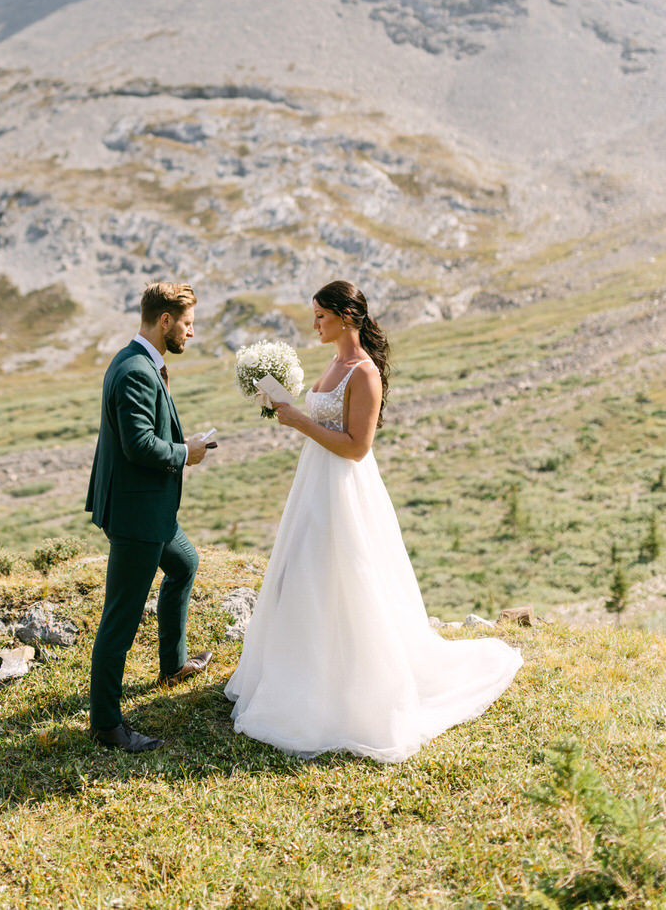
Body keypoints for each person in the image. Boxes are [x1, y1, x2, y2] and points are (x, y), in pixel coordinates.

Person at [225, 280, 522, 762]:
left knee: (345, 579)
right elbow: (326, 420)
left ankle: (350, 687)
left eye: (321, 315)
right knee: (304, 577)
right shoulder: (334, 363)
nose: (314, 324)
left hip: (344, 490)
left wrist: (298, 421)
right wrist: (281, 404)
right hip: (314, 484)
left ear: (346, 316)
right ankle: (305, 671)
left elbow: (358, 447)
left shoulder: (363, 374)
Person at [86, 281, 215, 752]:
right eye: (187, 324)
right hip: (138, 514)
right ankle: (107, 725)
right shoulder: (137, 370)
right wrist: (187, 452)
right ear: (165, 321)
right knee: (119, 620)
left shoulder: (136, 361)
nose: (191, 333)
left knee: (184, 564)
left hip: (151, 508)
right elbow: (138, 445)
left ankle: (172, 665)